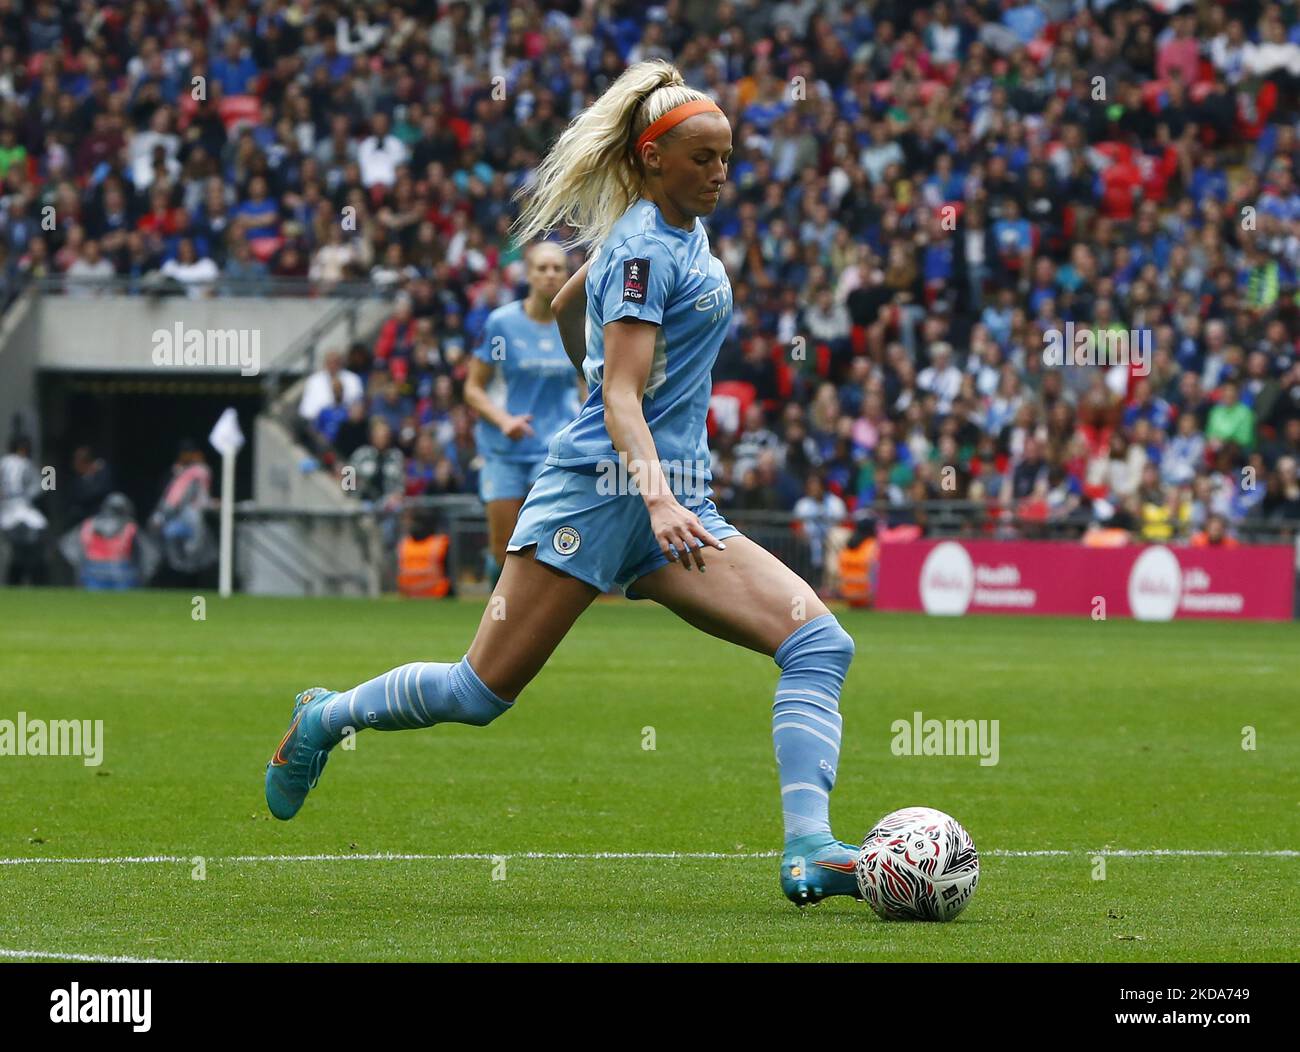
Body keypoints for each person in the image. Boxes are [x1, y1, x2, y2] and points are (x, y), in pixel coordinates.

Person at [264, 60, 861, 907]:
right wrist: (649, 488)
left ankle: (809, 849)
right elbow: (619, 390)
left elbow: (569, 304)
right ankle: (324, 718)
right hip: (601, 495)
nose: (720, 172)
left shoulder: (665, 237)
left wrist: (658, 481)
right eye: (703, 157)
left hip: (675, 502)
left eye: (728, 156)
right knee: (477, 693)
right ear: (653, 158)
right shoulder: (649, 249)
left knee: (818, 644)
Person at [463, 242, 583, 583]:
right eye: (542, 268)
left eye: (557, 268)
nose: (550, 275)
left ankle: (526, 620)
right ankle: (497, 602)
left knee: (542, 543)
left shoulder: (576, 324)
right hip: (504, 449)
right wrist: (504, 421)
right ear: (528, 273)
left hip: (552, 450)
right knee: (503, 547)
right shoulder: (502, 323)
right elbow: (473, 387)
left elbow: (586, 384)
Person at [0, 435, 48, 585]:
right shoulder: (26, 463)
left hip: (7, 510)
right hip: (21, 508)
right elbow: (41, 488)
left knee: (17, 552)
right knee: (38, 531)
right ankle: (33, 579)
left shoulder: (3, 462)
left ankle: (16, 579)